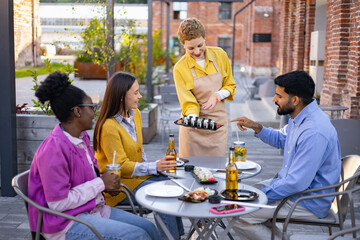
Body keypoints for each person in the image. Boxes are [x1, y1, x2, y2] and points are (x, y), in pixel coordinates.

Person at [28, 71, 160, 240]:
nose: (95, 112)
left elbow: (87, 182)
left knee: (148, 227)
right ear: (77, 112)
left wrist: (106, 187)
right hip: (65, 223)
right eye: (91, 107)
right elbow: (58, 203)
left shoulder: (81, 139)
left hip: (93, 210)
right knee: (138, 235)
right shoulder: (53, 149)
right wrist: (100, 183)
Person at [230, 70, 341, 239]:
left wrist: (261, 197)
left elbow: (296, 184)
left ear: (295, 100)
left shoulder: (314, 131)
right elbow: (282, 139)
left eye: (279, 96)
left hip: (307, 200)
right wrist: (257, 127)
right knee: (240, 196)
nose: (274, 99)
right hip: (292, 188)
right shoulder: (301, 117)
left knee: (236, 214)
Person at [93, 71, 184, 240]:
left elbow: (139, 152)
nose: (140, 96)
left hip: (137, 179)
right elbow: (121, 165)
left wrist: (156, 170)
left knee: (174, 186)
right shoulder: (109, 127)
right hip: (119, 189)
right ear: (121, 97)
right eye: (135, 93)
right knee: (164, 196)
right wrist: (154, 166)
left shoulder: (136, 116)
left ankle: (176, 237)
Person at [173, 17, 236, 157]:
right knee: (190, 172)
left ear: (205, 39)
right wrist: (193, 117)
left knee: (216, 171)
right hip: (193, 126)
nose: (196, 51)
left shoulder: (220, 55)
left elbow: (230, 84)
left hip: (217, 125)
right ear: (183, 45)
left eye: (200, 45)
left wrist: (217, 95)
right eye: (191, 48)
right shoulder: (180, 68)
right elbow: (187, 101)